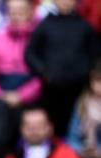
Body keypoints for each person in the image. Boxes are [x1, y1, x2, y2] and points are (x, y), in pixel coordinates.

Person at [26, 0, 98, 138]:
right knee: (51, 127)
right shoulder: (45, 25)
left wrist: (84, 73)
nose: (65, 2)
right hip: (51, 88)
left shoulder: (84, 26)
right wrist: (44, 72)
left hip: (78, 89)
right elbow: (30, 54)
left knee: (76, 126)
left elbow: (94, 54)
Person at [0, 0, 42, 111]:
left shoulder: (40, 41)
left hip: (33, 103)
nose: (15, 16)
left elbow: (43, 77)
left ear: (31, 12)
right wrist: (0, 96)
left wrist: (22, 96)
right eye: (11, 12)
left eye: (20, 12)